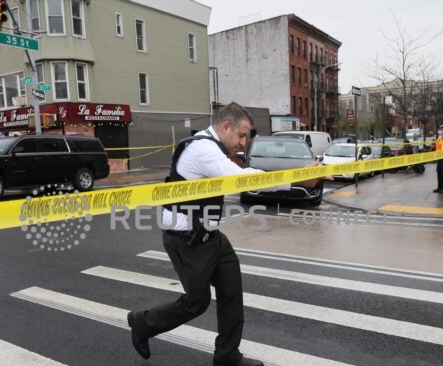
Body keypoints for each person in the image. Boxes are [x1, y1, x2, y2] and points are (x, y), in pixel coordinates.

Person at [127, 102, 326, 366]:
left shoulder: (212, 147)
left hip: (211, 237)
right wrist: (298, 177)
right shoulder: (202, 149)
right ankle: (142, 323)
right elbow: (242, 179)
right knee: (197, 303)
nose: (244, 142)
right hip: (186, 240)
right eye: (241, 135)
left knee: (232, 293)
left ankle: (227, 356)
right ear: (225, 127)